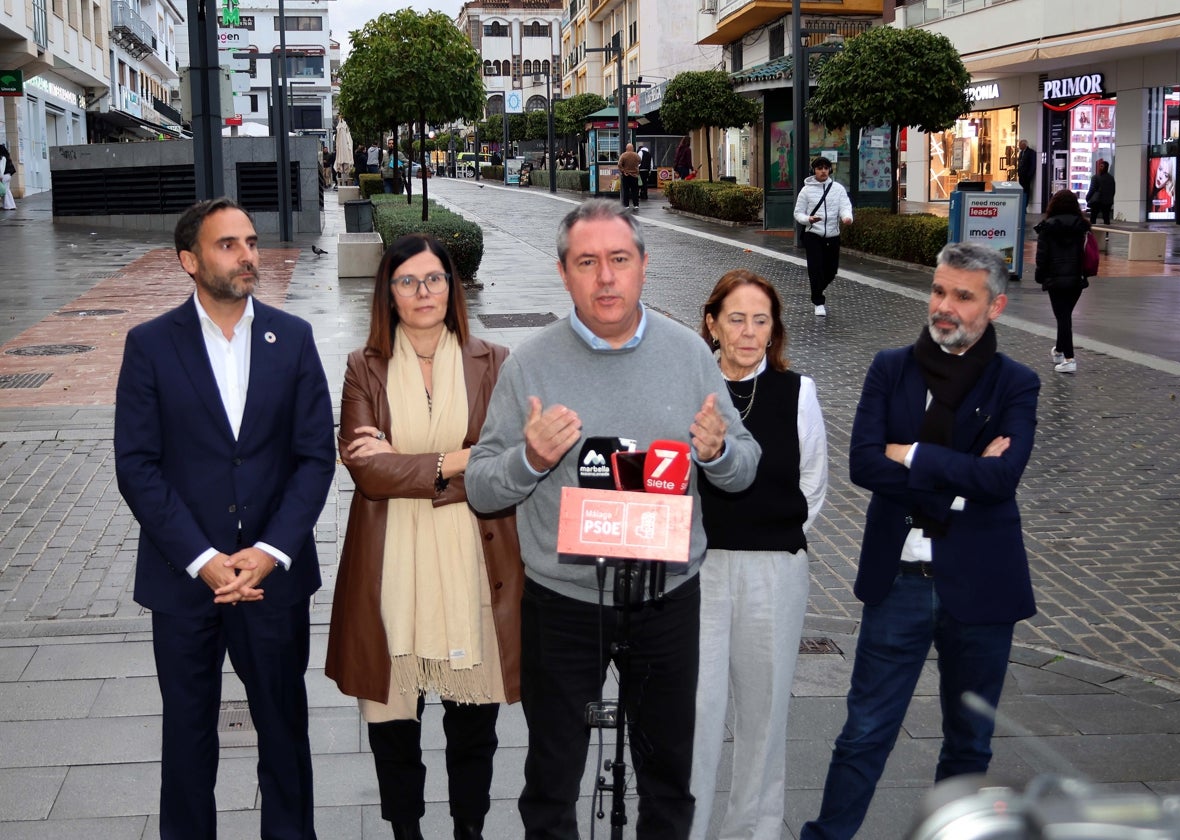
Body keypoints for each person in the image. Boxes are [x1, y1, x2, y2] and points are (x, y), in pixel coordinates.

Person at [464, 199, 761, 839]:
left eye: (619, 260)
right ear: (564, 272)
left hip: (668, 602)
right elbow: (483, 488)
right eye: (587, 262)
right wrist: (531, 459)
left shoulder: (689, 354)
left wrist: (717, 454)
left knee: (668, 781)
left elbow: (744, 468)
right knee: (550, 781)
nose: (605, 278)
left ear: (644, 268)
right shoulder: (531, 364)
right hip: (565, 606)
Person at [800, 242, 1039, 840]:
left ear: (997, 306)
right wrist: (960, 472)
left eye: (963, 296)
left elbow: (1002, 478)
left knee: (968, 743)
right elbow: (862, 464)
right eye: (938, 291)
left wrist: (912, 456)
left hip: (983, 587)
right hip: (898, 580)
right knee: (864, 733)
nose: (944, 306)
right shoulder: (891, 367)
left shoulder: (1017, 383)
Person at [114, 198, 336, 840]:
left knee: (284, 730)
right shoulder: (150, 345)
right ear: (189, 261)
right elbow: (138, 466)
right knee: (186, 736)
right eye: (227, 245)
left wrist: (270, 549)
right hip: (184, 584)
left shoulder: (291, 338)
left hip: (273, 581)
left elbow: (314, 456)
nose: (247, 255)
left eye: (249, 242)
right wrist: (203, 560)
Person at [325, 234, 523, 840]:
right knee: (393, 729)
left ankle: (470, 831)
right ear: (388, 293)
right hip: (391, 569)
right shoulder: (365, 366)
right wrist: (456, 462)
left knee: (474, 731)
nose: (422, 292)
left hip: (475, 565)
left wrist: (415, 463)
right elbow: (367, 471)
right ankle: (404, 832)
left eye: (433, 279)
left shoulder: (497, 361)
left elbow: (507, 465)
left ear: (452, 287)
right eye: (407, 281)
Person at [690, 270, 828, 840]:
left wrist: (771, 533)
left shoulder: (798, 393)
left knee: (764, 716)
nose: (749, 333)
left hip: (774, 571)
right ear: (712, 324)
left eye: (762, 321)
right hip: (697, 571)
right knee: (693, 714)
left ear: (775, 331)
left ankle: (753, 831)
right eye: (737, 319)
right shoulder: (688, 390)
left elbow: (811, 484)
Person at [1034, 189, 1091, 375]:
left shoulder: (1047, 227)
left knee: (1063, 317)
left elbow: (1042, 255)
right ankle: (1059, 351)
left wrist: (1039, 274)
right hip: (1076, 278)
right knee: (1064, 316)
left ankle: (1069, 358)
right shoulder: (1082, 226)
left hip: (1055, 278)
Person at [793, 156, 853, 317]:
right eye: (820, 168)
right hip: (813, 234)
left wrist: (847, 217)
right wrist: (808, 219)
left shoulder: (838, 189)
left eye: (826, 168)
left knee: (831, 270)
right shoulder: (806, 190)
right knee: (815, 268)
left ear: (830, 170)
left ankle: (818, 289)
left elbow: (845, 206)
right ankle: (818, 302)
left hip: (833, 235)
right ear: (814, 171)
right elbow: (798, 213)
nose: (823, 171)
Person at [1084, 159, 1115, 225]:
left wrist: (1087, 198)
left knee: (1093, 218)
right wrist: (1111, 199)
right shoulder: (1111, 178)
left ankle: (1092, 232)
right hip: (1107, 201)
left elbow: (1092, 189)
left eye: (1101, 166)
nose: (1100, 168)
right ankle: (1106, 233)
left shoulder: (1095, 177)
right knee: (1106, 218)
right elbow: (1113, 190)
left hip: (1097, 201)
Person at [618, 142, 641, 209]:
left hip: (626, 175)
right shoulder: (636, 155)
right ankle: (636, 204)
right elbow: (640, 161)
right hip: (634, 175)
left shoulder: (623, 155)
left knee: (626, 190)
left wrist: (623, 171)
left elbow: (619, 164)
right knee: (635, 191)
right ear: (632, 148)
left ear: (626, 148)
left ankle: (626, 205)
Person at [1016, 139, 1036, 205]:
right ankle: (1022, 204)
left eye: (1020, 144)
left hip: (1026, 176)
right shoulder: (1021, 153)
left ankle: (1025, 204)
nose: (1019, 146)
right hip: (1021, 176)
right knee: (1022, 190)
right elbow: (1020, 163)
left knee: (1026, 191)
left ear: (1024, 144)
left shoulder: (1031, 152)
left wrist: (1029, 175)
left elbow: (1032, 165)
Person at [0, 143, 16, 211]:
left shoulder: (2, 158)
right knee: (7, 190)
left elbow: (1, 168)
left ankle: (7, 206)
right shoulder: (6, 157)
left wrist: (0, 176)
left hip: (4, 176)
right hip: (8, 175)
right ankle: (12, 205)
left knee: (4, 191)